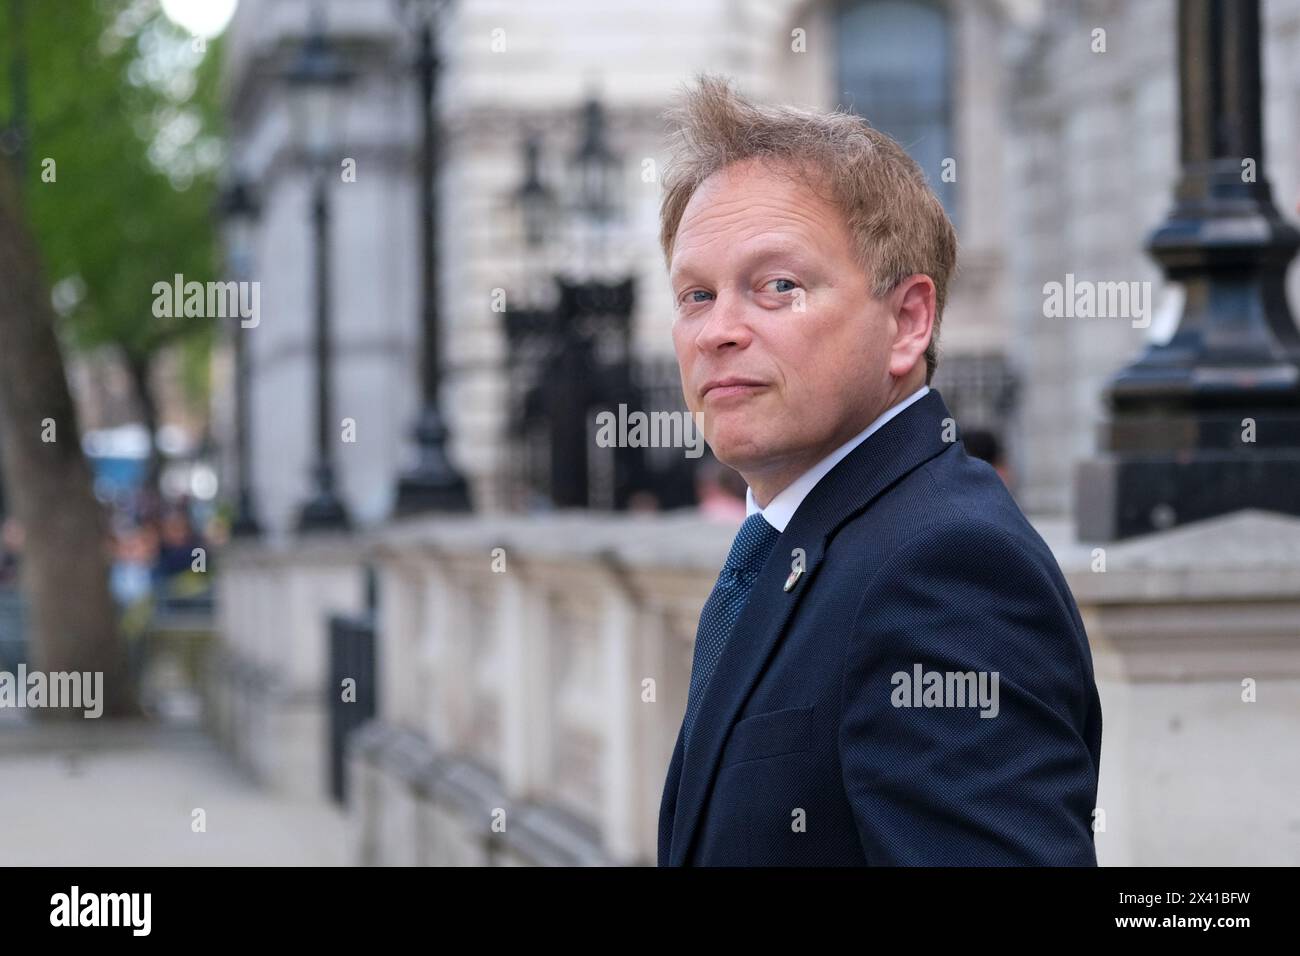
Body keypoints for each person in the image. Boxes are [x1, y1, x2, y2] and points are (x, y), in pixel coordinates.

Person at [656, 75, 1101, 866]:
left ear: (907, 321)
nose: (718, 330)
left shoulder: (948, 571)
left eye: (777, 286)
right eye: (696, 294)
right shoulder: (796, 538)